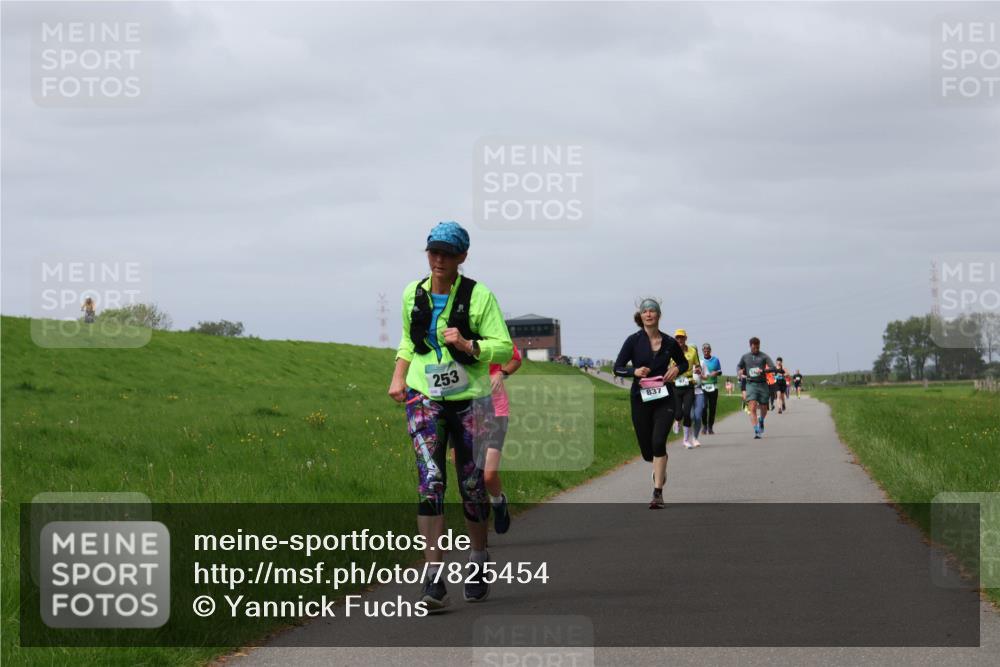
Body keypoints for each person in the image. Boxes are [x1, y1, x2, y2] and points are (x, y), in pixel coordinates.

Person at [388, 221, 513, 610]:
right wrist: (397, 377)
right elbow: (410, 339)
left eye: (447, 253)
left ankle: (477, 560)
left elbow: (505, 348)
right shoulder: (414, 292)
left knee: (473, 485)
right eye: (433, 252)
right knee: (431, 480)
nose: (439, 260)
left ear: (462, 257)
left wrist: (469, 344)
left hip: (472, 399)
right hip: (423, 395)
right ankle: (433, 577)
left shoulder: (479, 296)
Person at [613, 299, 687, 509]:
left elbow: (683, 362)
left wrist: (677, 370)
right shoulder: (633, 341)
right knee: (647, 451)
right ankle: (658, 469)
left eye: (652, 311)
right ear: (641, 316)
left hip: (665, 398)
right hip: (641, 399)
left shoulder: (670, 342)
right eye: (645, 311)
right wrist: (633, 372)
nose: (648, 314)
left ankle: (657, 493)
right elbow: (617, 367)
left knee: (658, 442)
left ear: (658, 315)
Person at [484, 344, 522, 534]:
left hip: (496, 410)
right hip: (461, 411)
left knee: (488, 475)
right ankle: (479, 536)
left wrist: (502, 373)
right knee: (468, 478)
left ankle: (498, 502)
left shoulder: (494, 331)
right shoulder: (451, 331)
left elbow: (515, 358)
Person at [736, 337, 777, 439]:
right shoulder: (745, 357)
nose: (756, 349)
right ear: (750, 346)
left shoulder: (764, 356)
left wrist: (763, 370)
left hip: (763, 384)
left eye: (758, 347)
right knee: (752, 406)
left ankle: (761, 420)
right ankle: (756, 430)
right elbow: (739, 366)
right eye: (754, 347)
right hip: (751, 384)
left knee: (764, 407)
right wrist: (739, 371)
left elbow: (773, 368)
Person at [668, 329, 701, 448]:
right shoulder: (671, 351)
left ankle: (686, 439)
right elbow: (666, 367)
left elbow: (698, 366)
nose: (680, 340)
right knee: (678, 413)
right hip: (675, 384)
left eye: (682, 338)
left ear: (685, 339)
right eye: (677, 338)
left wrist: (698, 370)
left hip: (688, 384)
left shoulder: (692, 351)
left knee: (687, 413)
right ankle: (676, 420)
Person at [700, 342, 722, 435]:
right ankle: (704, 426)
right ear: (702, 351)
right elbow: (697, 372)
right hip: (703, 386)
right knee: (704, 407)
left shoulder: (716, 360)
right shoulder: (700, 361)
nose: (706, 351)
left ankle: (710, 427)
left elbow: (720, 371)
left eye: (707, 350)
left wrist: (716, 373)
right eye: (704, 350)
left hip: (713, 386)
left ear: (710, 350)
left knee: (712, 408)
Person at [690, 364, 706, 447]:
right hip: (687, 392)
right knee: (690, 416)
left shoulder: (702, 363)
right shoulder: (684, 362)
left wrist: (700, 374)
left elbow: (706, 377)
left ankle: (695, 438)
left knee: (698, 416)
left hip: (699, 392)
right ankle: (686, 436)